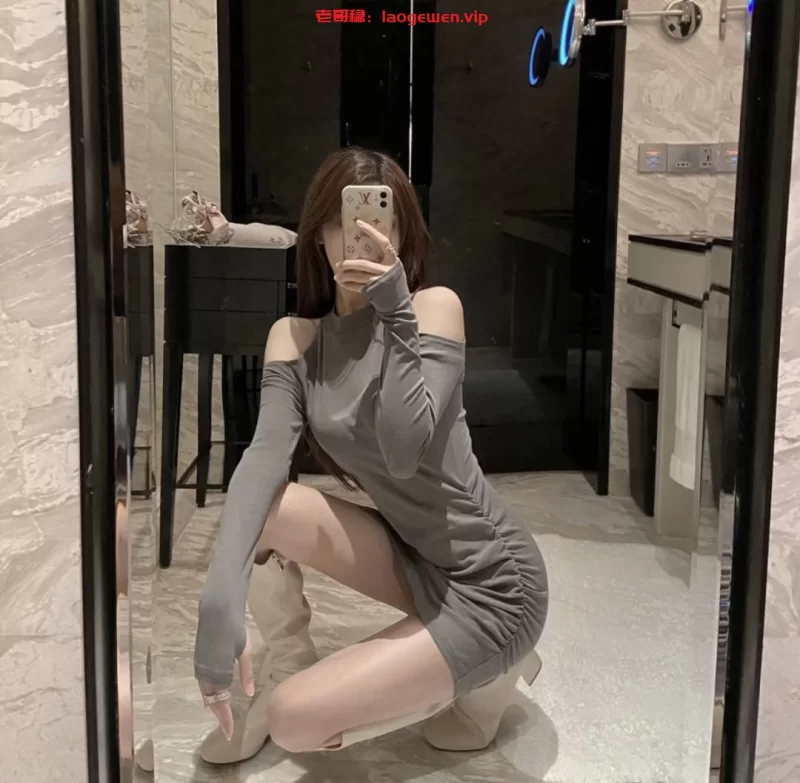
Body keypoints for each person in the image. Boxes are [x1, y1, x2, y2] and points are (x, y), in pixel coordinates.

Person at [194, 146, 549, 759]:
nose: (356, 237)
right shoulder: (295, 337)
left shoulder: (435, 307)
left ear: (400, 234)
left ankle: (491, 666)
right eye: (339, 222)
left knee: (295, 722)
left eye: (378, 219)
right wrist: (219, 591)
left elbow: (403, 449)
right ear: (317, 235)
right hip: (413, 556)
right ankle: (285, 665)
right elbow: (263, 461)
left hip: (492, 578)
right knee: (272, 507)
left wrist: (396, 314)